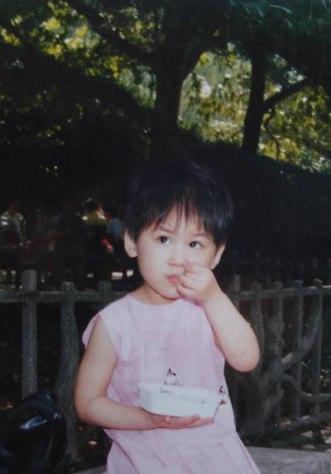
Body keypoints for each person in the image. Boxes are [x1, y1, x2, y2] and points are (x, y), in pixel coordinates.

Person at [74, 160, 261, 473]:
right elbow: (88, 402)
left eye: (195, 244)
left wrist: (214, 298)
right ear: (132, 241)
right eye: (164, 239)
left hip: (215, 461)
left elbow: (246, 359)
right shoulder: (115, 324)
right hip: (144, 463)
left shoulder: (209, 310)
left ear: (216, 254)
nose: (179, 258)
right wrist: (145, 419)